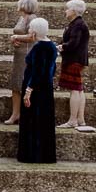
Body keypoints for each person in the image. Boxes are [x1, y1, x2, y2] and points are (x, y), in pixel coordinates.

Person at [17, 17, 59, 164]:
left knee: (33, 120)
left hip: (36, 89)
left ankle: (32, 154)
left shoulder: (39, 47)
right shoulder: (51, 46)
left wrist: (28, 90)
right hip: (45, 88)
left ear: (34, 31)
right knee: (43, 122)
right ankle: (43, 154)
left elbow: (38, 72)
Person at [58, 0, 95, 133]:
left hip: (74, 59)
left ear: (73, 11)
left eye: (68, 9)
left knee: (75, 89)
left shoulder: (77, 25)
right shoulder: (78, 24)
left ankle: (73, 119)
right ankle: (80, 119)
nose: (66, 11)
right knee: (79, 89)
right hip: (78, 59)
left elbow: (74, 43)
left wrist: (61, 47)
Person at [5, 0, 39, 125]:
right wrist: (14, 40)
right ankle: (15, 114)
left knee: (24, 84)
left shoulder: (32, 18)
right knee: (16, 84)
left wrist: (16, 36)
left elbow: (32, 36)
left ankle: (24, 114)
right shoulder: (22, 17)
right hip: (19, 54)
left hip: (27, 54)